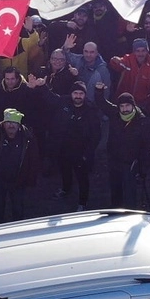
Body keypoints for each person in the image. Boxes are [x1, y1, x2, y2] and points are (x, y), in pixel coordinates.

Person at [0, 108, 40, 223]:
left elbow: (34, 159)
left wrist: (31, 179)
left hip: (18, 180)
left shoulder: (28, 137)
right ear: (4, 123)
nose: (11, 125)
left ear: (19, 124)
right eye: (8, 122)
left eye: (14, 123)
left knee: (18, 208)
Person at [96, 87, 150, 209]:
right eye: (122, 106)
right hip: (114, 160)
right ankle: (116, 210)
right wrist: (98, 91)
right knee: (115, 189)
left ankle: (130, 214)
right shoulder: (114, 113)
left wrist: (144, 168)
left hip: (131, 163)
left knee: (130, 193)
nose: (124, 109)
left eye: (127, 106)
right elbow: (101, 103)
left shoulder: (142, 121)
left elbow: (147, 146)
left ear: (133, 106)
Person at [50, 81, 101, 210]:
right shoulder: (64, 102)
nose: (78, 96)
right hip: (64, 148)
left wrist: (88, 152)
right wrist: (40, 86)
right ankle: (66, 189)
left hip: (81, 151)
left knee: (82, 178)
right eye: (75, 93)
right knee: (65, 171)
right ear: (71, 94)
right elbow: (49, 97)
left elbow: (96, 134)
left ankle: (82, 202)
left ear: (85, 95)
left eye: (81, 93)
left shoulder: (91, 110)